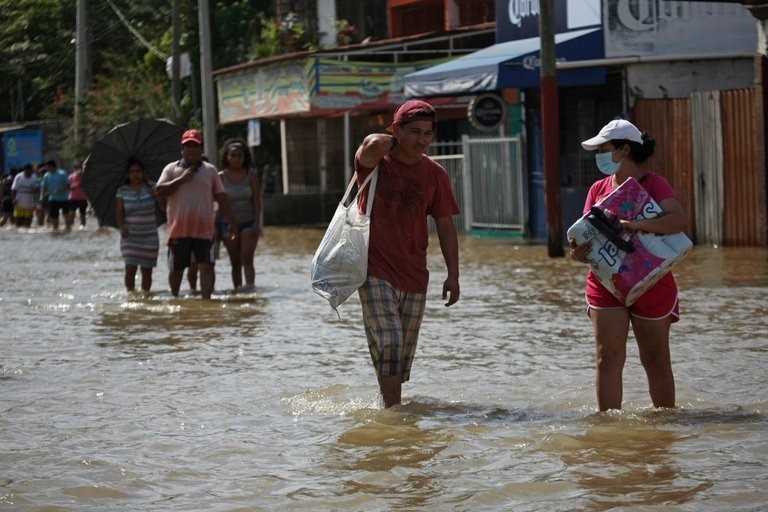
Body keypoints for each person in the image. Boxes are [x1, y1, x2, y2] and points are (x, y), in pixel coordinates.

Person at [568, 119, 688, 411]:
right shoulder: (597, 188)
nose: (599, 155)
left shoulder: (653, 183)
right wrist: (577, 253)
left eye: (604, 149)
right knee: (606, 357)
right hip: (605, 282)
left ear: (623, 150)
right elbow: (584, 236)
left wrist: (635, 224)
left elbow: (678, 221)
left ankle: (664, 429)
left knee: (655, 357)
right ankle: (609, 434)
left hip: (651, 279)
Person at [354, 99, 461, 408]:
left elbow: (445, 225)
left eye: (428, 133)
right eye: (414, 132)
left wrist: (453, 275)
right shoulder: (375, 164)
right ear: (396, 130)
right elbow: (371, 144)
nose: (422, 140)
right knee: (389, 340)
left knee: (398, 357)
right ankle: (394, 416)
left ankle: (388, 406)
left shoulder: (435, 174)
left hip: (414, 275)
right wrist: (395, 136)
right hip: (373, 268)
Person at [156, 129, 238, 300]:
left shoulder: (210, 171)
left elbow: (221, 196)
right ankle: (175, 300)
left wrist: (231, 221)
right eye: (188, 146)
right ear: (182, 149)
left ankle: (206, 302)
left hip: (204, 230)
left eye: (195, 146)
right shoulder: (171, 169)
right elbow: (160, 190)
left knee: (207, 267)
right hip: (178, 230)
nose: (192, 149)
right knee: (176, 270)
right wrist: (181, 180)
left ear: (201, 149)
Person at [217, 138, 262, 290]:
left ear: (244, 158)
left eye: (239, 156)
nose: (236, 159)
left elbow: (256, 201)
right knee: (235, 261)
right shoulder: (220, 177)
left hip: (249, 222)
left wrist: (257, 222)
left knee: (247, 258)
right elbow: (216, 204)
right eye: (233, 155)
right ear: (227, 157)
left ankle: (250, 288)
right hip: (227, 224)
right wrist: (215, 227)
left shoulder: (251, 176)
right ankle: (237, 290)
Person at [115, 158, 161, 292]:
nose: (135, 174)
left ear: (143, 172)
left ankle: (145, 298)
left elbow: (164, 208)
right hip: (130, 236)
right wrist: (121, 227)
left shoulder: (153, 187)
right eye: (132, 172)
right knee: (130, 268)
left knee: (147, 271)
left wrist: (157, 197)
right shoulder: (122, 190)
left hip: (149, 235)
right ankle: (130, 294)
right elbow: (119, 212)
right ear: (127, 174)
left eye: (138, 171)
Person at [40, 160, 71, 230]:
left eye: (47, 167)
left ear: (51, 166)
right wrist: (41, 197)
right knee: (54, 216)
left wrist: (61, 190)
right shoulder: (46, 175)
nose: (46, 168)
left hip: (64, 199)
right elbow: (43, 187)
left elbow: (68, 185)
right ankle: (55, 229)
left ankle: (68, 228)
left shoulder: (62, 174)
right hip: (53, 199)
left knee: (66, 214)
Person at [67, 163, 88, 229]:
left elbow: (88, 187)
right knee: (71, 213)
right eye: (77, 168)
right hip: (73, 198)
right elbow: (68, 187)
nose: (78, 170)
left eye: (80, 168)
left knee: (83, 214)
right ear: (74, 169)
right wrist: (75, 185)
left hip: (83, 198)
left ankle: (83, 226)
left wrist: (83, 184)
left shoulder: (85, 177)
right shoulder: (71, 177)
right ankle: (70, 226)